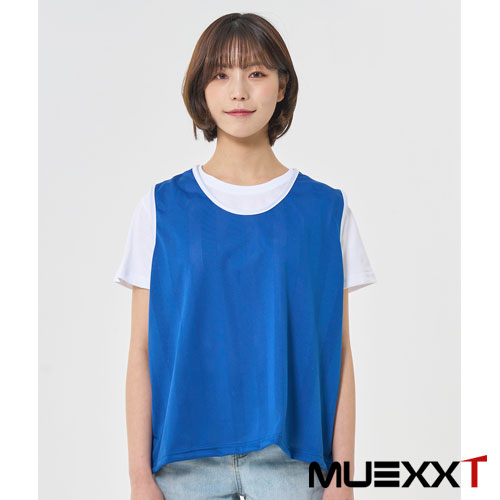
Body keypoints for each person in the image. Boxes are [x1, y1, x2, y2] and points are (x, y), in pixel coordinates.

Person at [114, 12, 376, 500]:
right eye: (221, 74)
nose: (238, 91)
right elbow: (141, 351)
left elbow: (339, 353)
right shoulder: (161, 208)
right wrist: (138, 478)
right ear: (202, 89)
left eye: (255, 72)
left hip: (293, 464)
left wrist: (342, 479)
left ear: (281, 86)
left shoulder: (325, 211)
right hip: (182, 467)